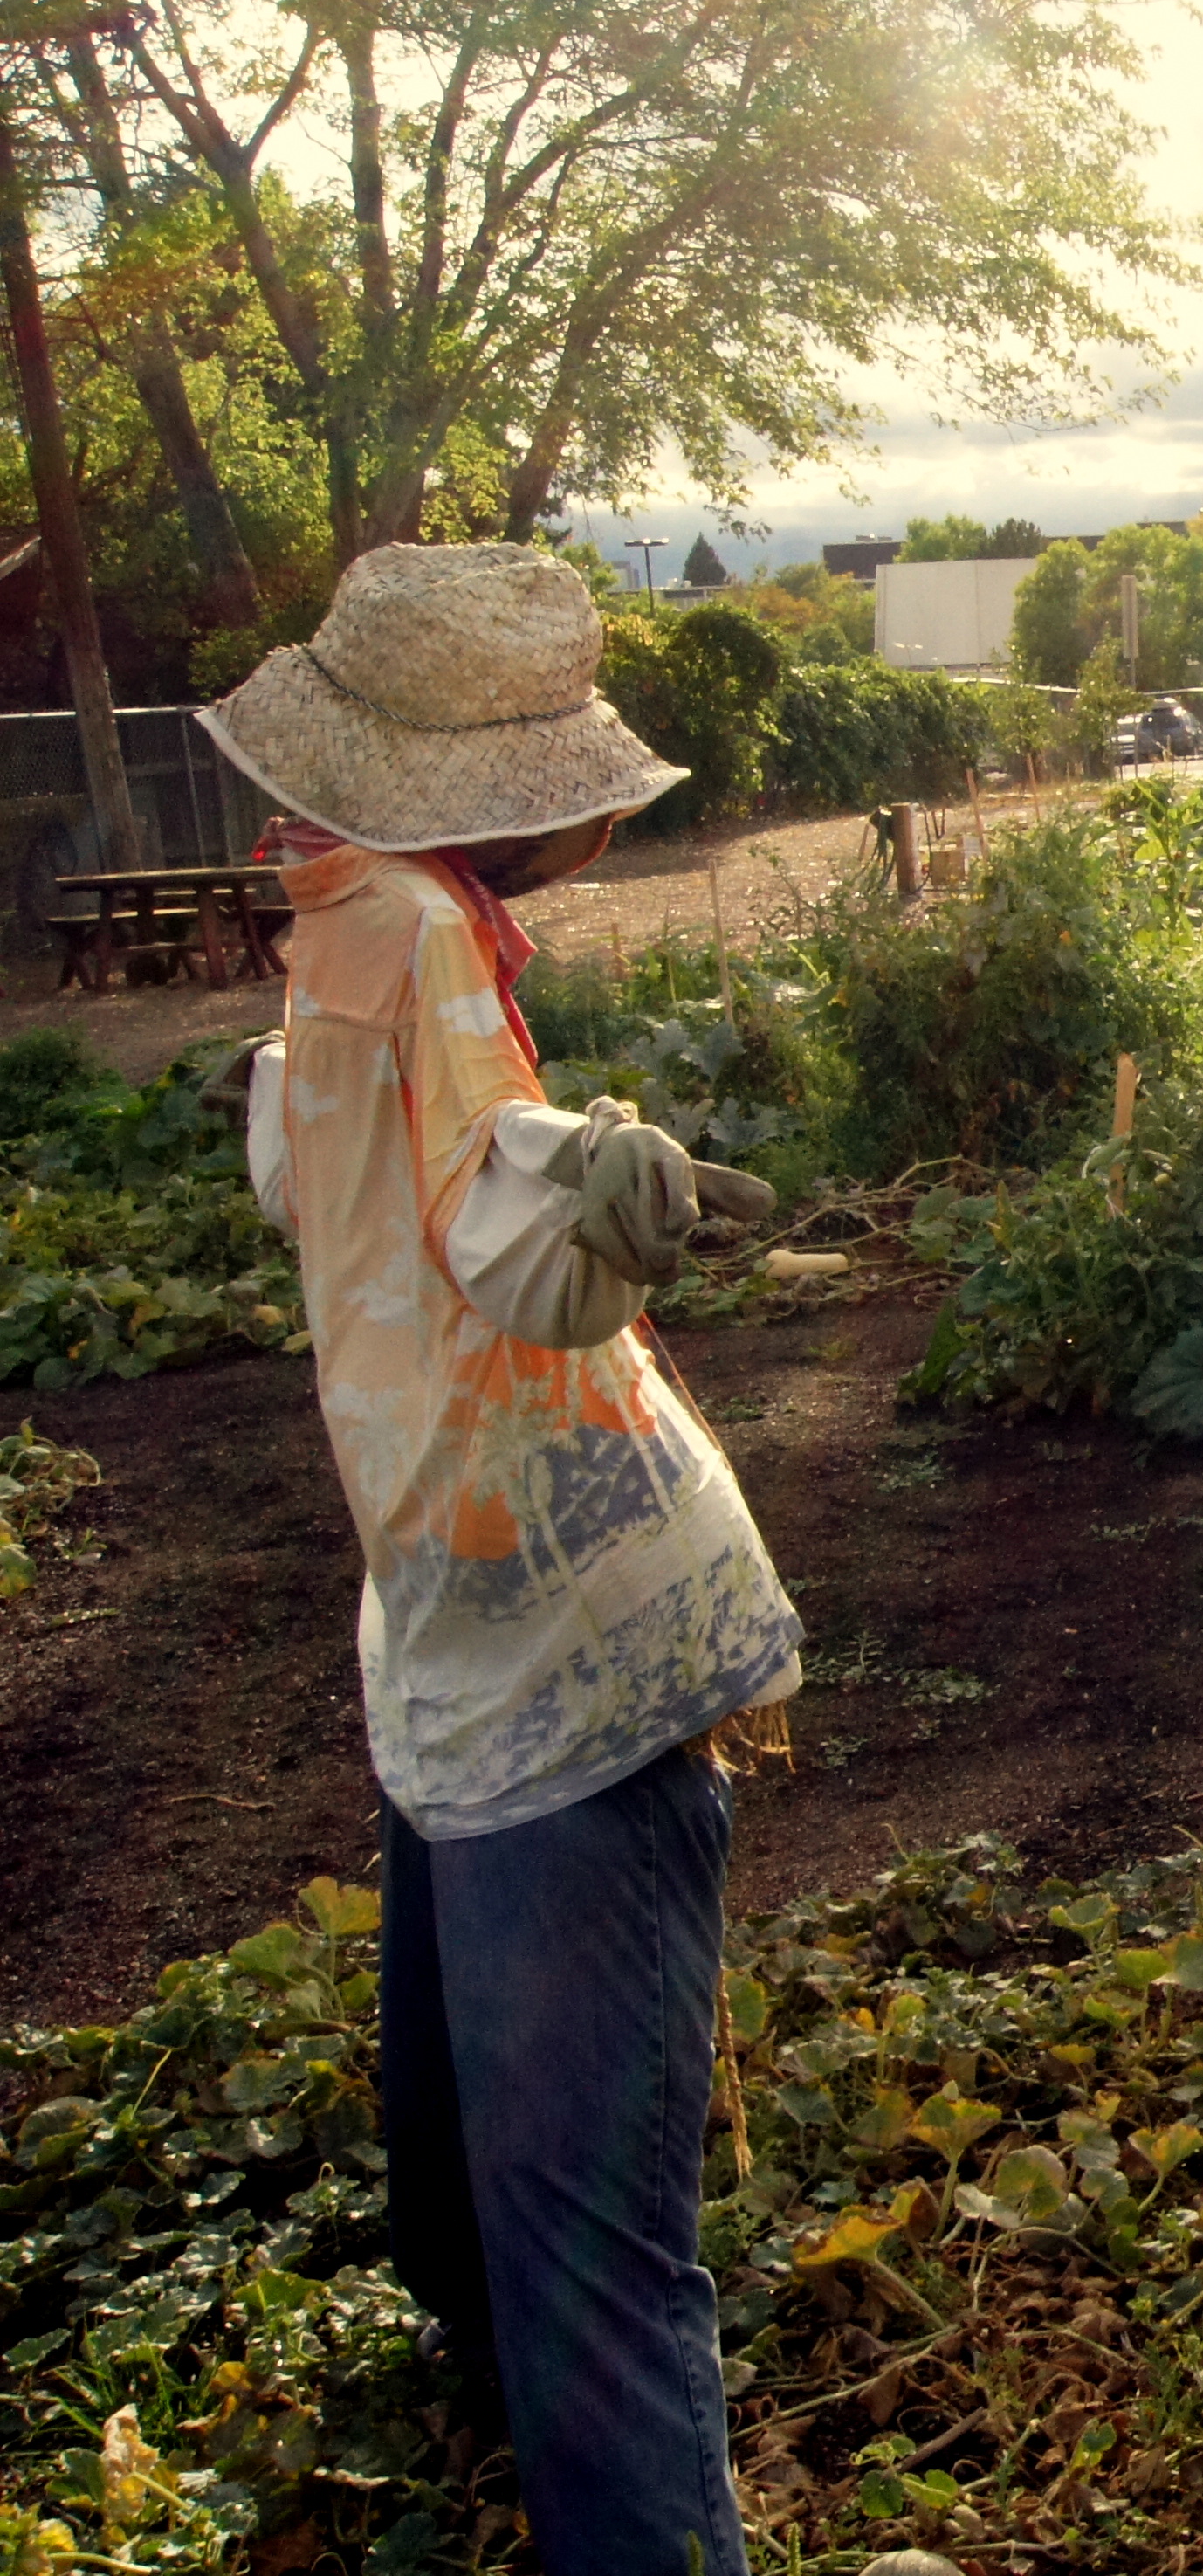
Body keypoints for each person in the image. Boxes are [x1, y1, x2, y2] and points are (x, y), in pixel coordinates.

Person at [207, 543, 804, 2576]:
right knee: (510, 2224)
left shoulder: (361, 921)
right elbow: (465, 1206)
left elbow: (426, 1192)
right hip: (515, 1632)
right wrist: (594, 1180)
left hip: (531, 1628)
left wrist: (580, 1179)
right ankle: (552, 2474)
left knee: (551, 2240)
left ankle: (597, 2496)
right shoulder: (394, 931)